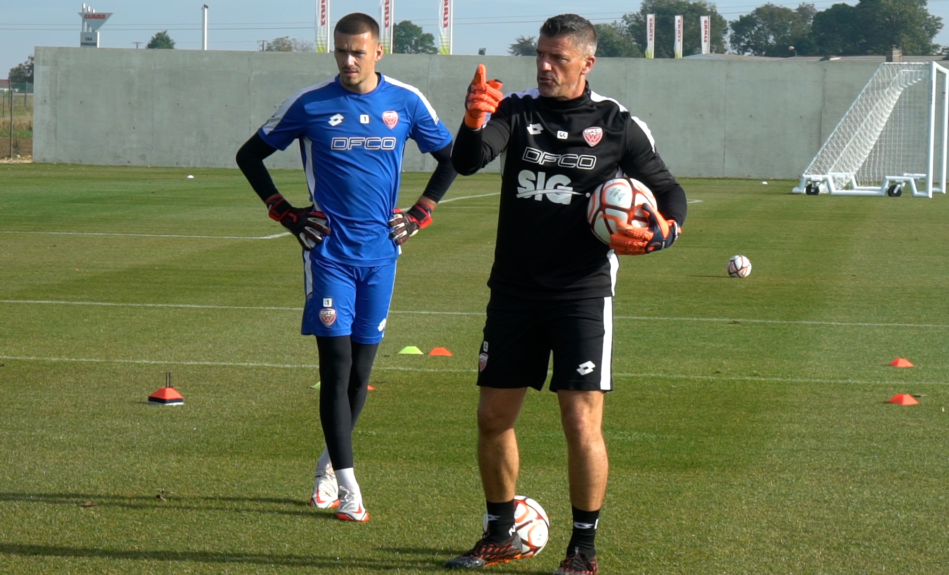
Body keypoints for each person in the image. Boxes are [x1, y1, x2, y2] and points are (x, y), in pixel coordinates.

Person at [444, 13, 687, 575]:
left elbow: (669, 190)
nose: (546, 67)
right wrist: (473, 120)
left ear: (587, 62)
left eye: (558, 58)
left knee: (581, 424)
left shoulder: (618, 125)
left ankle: (582, 550)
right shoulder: (517, 110)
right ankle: (499, 533)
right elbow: (467, 161)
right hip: (513, 290)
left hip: (581, 294)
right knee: (492, 417)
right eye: (540, 56)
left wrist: (665, 232)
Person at [235, 12, 456, 522]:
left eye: (358, 51)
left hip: (381, 255)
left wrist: (422, 212)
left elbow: (451, 160)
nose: (349, 60)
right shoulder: (310, 103)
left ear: (379, 52)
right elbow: (250, 156)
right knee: (334, 372)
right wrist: (287, 214)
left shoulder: (407, 101)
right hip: (328, 254)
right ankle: (351, 489)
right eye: (341, 51)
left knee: (361, 375)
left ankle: (330, 465)